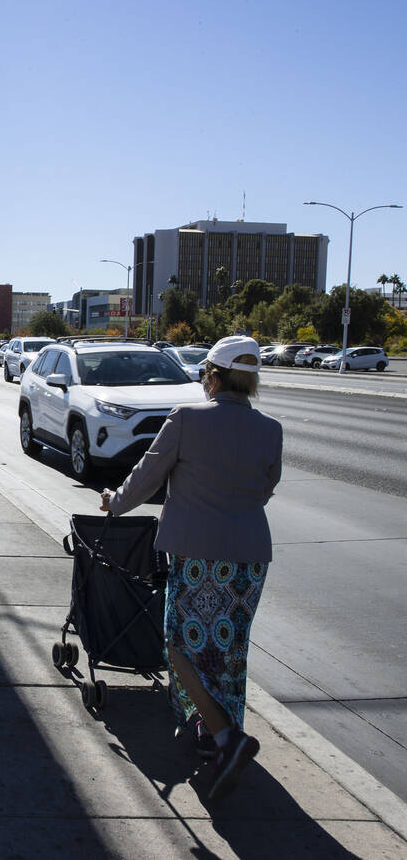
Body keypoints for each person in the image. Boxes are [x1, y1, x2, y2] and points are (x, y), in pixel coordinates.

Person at [98, 335, 282, 801]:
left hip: (197, 556)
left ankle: (224, 736)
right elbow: (264, 489)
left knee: (180, 646)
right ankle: (217, 736)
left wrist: (115, 504)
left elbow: (148, 472)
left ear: (213, 376)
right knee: (229, 649)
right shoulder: (270, 428)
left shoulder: (186, 419)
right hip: (250, 557)